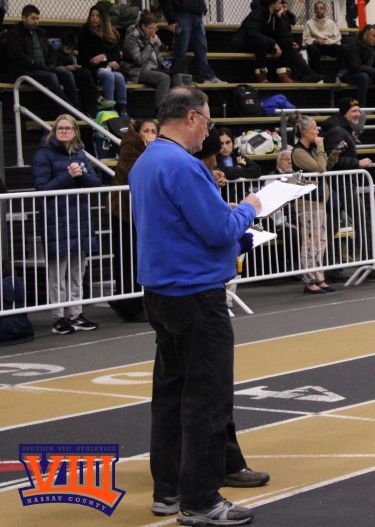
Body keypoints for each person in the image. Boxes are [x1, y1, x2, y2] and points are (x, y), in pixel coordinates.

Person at [129, 86, 265, 524]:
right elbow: (217, 230)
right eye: (206, 121)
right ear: (190, 117)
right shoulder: (183, 165)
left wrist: (225, 217)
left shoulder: (147, 160)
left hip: (161, 291)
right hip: (196, 292)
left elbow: (176, 223)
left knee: (170, 394)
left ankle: (168, 489)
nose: (208, 131)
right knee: (207, 397)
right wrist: (249, 208)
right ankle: (202, 500)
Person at [33, 115, 101, 335]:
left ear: (75, 132)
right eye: (60, 128)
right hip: (56, 219)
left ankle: (76, 314)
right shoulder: (43, 154)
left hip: (79, 218)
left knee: (77, 270)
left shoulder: (80, 153)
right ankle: (58, 317)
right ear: (53, 131)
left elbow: (95, 182)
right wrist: (68, 175)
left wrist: (80, 175)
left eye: (68, 128)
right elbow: (42, 188)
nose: (64, 131)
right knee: (57, 272)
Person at [108, 118, 159, 323]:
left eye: (153, 131)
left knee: (140, 257)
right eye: (146, 130)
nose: (150, 135)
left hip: (141, 213)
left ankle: (138, 301)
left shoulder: (155, 150)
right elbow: (135, 173)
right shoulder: (129, 148)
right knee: (127, 258)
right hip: (124, 211)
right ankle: (128, 302)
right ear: (138, 133)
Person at [289, 114, 337, 295]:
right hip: (308, 203)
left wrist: (334, 153)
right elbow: (320, 168)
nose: (317, 132)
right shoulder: (298, 152)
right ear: (305, 132)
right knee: (309, 243)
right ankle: (309, 280)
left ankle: (319, 277)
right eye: (315, 129)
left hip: (319, 201)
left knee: (320, 241)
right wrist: (321, 148)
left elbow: (325, 166)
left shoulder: (311, 149)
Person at [6, 5, 77, 104]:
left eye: (37, 19)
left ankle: (74, 106)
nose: (36, 21)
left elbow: (51, 52)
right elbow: (19, 56)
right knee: (51, 77)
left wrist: (51, 65)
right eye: (33, 18)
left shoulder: (40, 34)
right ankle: (68, 108)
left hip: (44, 68)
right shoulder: (14, 34)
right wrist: (38, 65)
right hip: (27, 71)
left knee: (67, 74)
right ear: (23, 18)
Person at [123, 11, 186, 111]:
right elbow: (139, 60)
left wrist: (163, 63)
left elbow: (157, 53)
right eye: (150, 28)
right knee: (164, 78)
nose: (153, 31)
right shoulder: (131, 38)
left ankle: (178, 109)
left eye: (155, 28)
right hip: (136, 69)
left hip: (152, 67)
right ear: (143, 26)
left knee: (176, 76)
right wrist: (150, 44)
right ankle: (161, 111)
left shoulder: (152, 36)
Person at [77, 4, 128, 114]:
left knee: (119, 77)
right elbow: (85, 59)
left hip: (108, 67)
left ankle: (122, 109)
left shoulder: (111, 33)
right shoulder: (84, 32)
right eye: (92, 15)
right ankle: (109, 108)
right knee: (108, 76)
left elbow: (117, 56)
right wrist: (105, 62)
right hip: (93, 69)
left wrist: (105, 58)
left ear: (103, 18)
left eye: (97, 16)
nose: (94, 18)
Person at [320, 98, 374, 171]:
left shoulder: (344, 128)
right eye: (354, 111)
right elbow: (331, 160)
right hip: (339, 176)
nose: (358, 114)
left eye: (359, 111)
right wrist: (357, 163)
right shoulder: (337, 131)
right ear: (344, 113)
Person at [303, 1, 343, 71]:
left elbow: (337, 38)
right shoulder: (309, 23)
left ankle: (340, 72)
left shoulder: (331, 23)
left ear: (325, 10)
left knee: (343, 49)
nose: (319, 10)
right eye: (317, 8)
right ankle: (317, 73)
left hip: (328, 45)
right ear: (314, 10)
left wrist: (327, 42)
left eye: (321, 8)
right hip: (316, 45)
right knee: (312, 49)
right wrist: (316, 41)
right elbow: (306, 39)